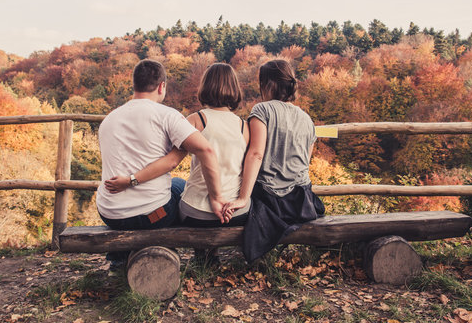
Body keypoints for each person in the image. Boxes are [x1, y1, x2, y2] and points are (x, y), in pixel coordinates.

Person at [96, 59, 226, 270]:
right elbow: (206, 149)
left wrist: (174, 155)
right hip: (152, 216)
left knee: (174, 184)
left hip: (110, 214)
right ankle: (206, 256)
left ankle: (118, 258)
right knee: (184, 190)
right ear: (161, 86)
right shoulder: (167, 115)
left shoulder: (109, 120)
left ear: (134, 85)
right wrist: (179, 151)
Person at [223, 59, 325, 264]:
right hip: (301, 201)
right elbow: (305, 163)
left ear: (267, 84)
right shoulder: (306, 119)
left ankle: (208, 254)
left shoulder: (263, 111)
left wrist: (243, 198)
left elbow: (256, 154)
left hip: (272, 202)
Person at [179, 63, 250, 228]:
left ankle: (203, 253)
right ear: (234, 88)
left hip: (196, 212)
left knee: (176, 185)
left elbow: (172, 157)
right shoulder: (244, 126)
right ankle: (209, 253)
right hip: (236, 212)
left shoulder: (196, 120)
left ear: (205, 86)